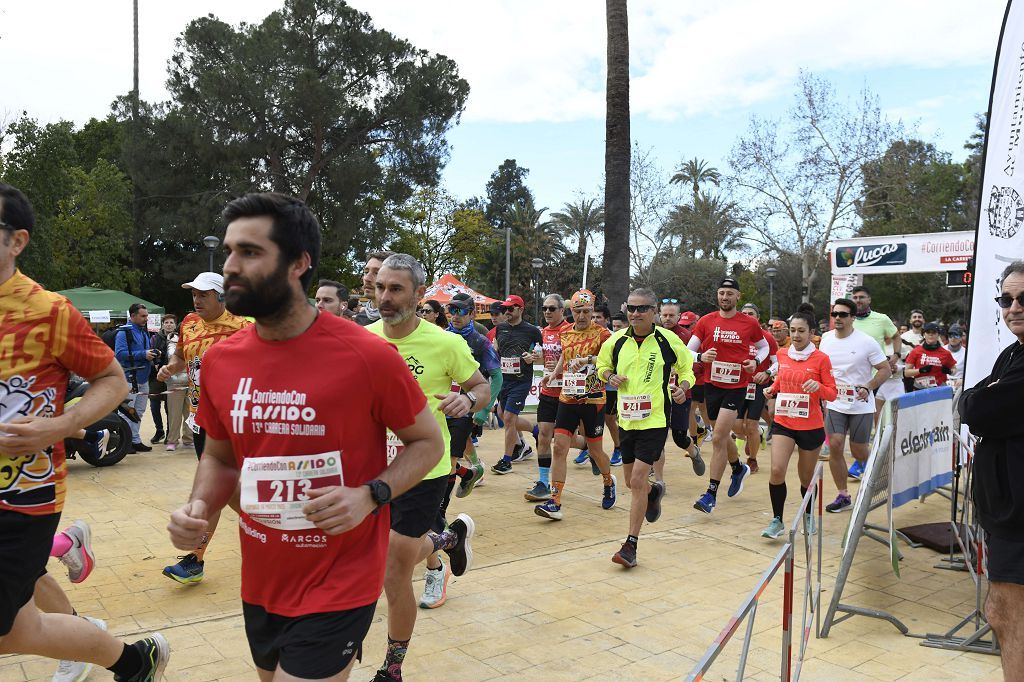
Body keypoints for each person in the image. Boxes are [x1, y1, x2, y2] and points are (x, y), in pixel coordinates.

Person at [167, 194, 442, 682]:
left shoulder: (366, 355)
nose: (230, 265)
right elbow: (220, 458)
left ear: (298, 263)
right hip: (263, 579)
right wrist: (198, 510)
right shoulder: (223, 360)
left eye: (249, 252)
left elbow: (427, 443)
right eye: (230, 251)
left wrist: (370, 495)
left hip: (341, 578)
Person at [0, 183, 169, 681]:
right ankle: (128, 657)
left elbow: (112, 380)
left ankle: (131, 659)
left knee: (9, 630)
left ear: (17, 241)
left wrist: (60, 424)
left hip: (22, 495)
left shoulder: (48, 311)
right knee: (18, 623)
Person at [368, 254, 488, 681]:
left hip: (424, 467)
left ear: (420, 295)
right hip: (371, 469)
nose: (384, 297)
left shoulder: (446, 343)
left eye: (395, 289)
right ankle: (448, 538)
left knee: (393, 567)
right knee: (387, 558)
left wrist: (468, 400)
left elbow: (480, 385)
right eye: (380, 287)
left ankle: (392, 668)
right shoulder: (361, 339)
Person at [155, 272, 250, 584]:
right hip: (200, 419)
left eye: (204, 294)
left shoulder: (245, 325)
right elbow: (182, 356)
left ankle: (196, 559)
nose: (197, 299)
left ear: (221, 297)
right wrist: (171, 366)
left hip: (235, 422)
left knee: (213, 491)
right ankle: (274, 527)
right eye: (194, 293)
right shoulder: (189, 323)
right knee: (220, 490)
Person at [596, 288, 694, 568]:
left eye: (642, 309)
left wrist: (683, 388)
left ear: (654, 312)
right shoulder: (616, 341)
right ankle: (653, 494)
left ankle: (630, 545)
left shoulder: (667, 340)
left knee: (638, 479)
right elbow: (602, 365)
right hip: (627, 419)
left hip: (655, 419)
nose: (635, 314)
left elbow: (687, 369)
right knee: (631, 482)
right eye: (631, 309)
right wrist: (610, 376)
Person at [960, 260, 1024, 681]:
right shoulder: (1013, 352)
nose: (1013, 307)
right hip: (1006, 509)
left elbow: (978, 406)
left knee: (1006, 613)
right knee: (1002, 613)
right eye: (1006, 299)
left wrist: (980, 398)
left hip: (1018, 515)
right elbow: (976, 400)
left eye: (1023, 299)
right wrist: (979, 398)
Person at [419, 292, 500, 609]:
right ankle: (468, 475)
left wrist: (480, 408)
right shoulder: (438, 337)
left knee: (447, 465)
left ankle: (439, 521)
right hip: (432, 415)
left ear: (471, 313)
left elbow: (494, 376)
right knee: (447, 467)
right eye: (450, 310)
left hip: (461, 413)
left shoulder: (478, 340)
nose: (455, 315)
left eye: (461, 311)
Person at [689, 278, 769, 515]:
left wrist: (754, 362)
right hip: (712, 385)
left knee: (718, 438)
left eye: (730, 293)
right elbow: (688, 349)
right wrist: (700, 357)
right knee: (720, 437)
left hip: (737, 386)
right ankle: (737, 468)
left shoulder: (748, 323)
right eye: (722, 293)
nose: (725, 297)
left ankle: (710, 494)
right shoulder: (706, 321)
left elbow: (764, 347)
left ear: (738, 297)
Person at [535, 290, 616, 520]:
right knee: (559, 447)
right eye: (577, 311)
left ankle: (608, 481)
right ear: (571, 311)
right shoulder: (565, 332)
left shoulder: (603, 334)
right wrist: (553, 374)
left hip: (593, 399)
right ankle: (555, 501)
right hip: (568, 397)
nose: (581, 316)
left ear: (593, 311)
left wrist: (588, 360)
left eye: (586, 312)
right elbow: (565, 356)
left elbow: (611, 361)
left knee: (595, 450)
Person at [760, 312, 837, 538]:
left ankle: (809, 515)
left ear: (812, 334)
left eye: (801, 331)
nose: (796, 335)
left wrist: (819, 388)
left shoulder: (821, 359)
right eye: (793, 330)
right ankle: (777, 520)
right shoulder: (782, 354)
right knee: (776, 470)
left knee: (805, 477)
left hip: (810, 426)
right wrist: (772, 389)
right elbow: (782, 377)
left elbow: (832, 393)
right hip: (784, 421)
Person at [818, 298, 891, 513]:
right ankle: (843, 495)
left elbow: (885, 369)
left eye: (842, 314)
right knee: (836, 445)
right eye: (835, 314)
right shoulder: (826, 339)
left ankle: (877, 475)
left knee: (859, 451)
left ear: (852, 317)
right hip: (835, 403)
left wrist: (868, 386)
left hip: (860, 404)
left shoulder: (867, 342)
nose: (838, 318)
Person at [491, 295, 542, 474]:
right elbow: (497, 349)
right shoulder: (500, 328)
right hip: (504, 380)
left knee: (509, 418)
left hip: (521, 380)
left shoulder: (532, 331)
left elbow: (541, 353)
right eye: (505, 309)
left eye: (510, 309)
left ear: (520, 309)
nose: (506, 312)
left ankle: (507, 460)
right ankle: (536, 430)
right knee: (502, 414)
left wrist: (533, 357)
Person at [529, 294, 573, 501]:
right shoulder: (543, 332)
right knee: (544, 435)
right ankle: (543, 482)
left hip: (567, 393)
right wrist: (533, 358)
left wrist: (557, 372)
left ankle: (593, 452)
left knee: (567, 441)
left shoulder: (570, 331)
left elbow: (568, 356)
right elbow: (544, 356)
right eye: (545, 308)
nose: (547, 312)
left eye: (552, 308)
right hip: (548, 392)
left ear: (562, 311)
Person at [658, 298, 705, 477]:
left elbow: (700, 366)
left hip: (681, 393)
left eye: (671, 315)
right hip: (658, 393)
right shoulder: (653, 334)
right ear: (659, 315)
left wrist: (682, 377)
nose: (668, 318)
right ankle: (659, 480)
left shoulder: (687, 338)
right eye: (664, 315)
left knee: (679, 437)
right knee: (658, 437)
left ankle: (694, 453)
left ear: (679, 316)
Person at [850, 285, 902, 426]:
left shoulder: (881, 318)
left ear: (869, 300)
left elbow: (896, 336)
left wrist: (896, 355)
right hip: (850, 373)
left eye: (861, 297)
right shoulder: (847, 319)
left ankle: (872, 436)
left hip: (874, 373)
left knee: (868, 407)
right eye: (855, 297)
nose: (858, 300)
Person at [737, 303, 778, 475]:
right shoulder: (735, 335)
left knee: (751, 424)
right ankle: (757, 434)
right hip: (736, 385)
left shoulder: (767, 338)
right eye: (744, 313)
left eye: (751, 313)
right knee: (737, 426)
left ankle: (752, 459)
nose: (747, 316)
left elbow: (777, 363)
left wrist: (767, 373)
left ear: (757, 317)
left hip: (757, 386)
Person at [114, 303, 157, 454]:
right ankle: (125, 442)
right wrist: (143, 354)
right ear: (133, 316)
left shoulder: (143, 331)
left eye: (147, 315)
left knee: (138, 410)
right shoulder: (124, 332)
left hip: (142, 377)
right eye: (143, 316)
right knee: (127, 411)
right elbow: (119, 354)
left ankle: (135, 440)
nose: (146, 318)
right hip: (129, 377)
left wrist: (151, 354)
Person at [161, 315, 194, 452]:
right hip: (175, 382)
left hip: (192, 382)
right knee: (174, 414)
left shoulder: (196, 340)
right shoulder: (173, 340)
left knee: (190, 413)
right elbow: (171, 356)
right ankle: (172, 440)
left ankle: (188, 439)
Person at [148, 315, 177, 445]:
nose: (169, 324)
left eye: (171, 322)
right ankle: (159, 430)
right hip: (156, 376)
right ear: (162, 324)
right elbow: (151, 352)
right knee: (154, 404)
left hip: (173, 376)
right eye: (166, 322)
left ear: (175, 325)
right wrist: (155, 361)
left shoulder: (178, 338)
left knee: (169, 407)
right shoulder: (155, 338)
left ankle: (170, 432)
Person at [904, 322, 956, 390]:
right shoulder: (916, 351)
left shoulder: (946, 353)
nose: (931, 335)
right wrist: (920, 370)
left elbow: (954, 369)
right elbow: (906, 373)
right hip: (920, 388)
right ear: (924, 334)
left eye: (934, 332)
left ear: (938, 335)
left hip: (939, 388)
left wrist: (950, 371)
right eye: (928, 332)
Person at [354, 251, 394, 326]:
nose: (367, 278)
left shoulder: (405, 321)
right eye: (366, 272)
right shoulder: (360, 318)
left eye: (377, 273)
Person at [900, 309, 926, 392]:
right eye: (914, 317)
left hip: (927, 374)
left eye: (919, 317)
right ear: (910, 321)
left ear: (923, 320)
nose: (917, 319)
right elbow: (901, 356)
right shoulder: (904, 337)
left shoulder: (930, 335)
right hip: (909, 375)